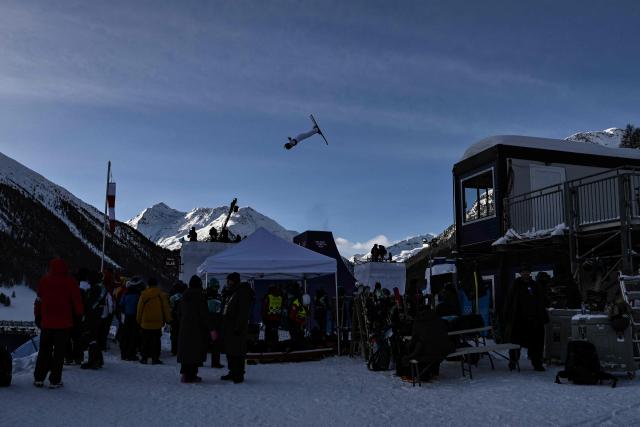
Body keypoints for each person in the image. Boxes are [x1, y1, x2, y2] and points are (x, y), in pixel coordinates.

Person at [33, 258, 84, 388]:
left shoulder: (44, 281)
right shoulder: (70, 282)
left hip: (46, 323)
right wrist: (79, 317)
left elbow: (38, 300)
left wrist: (37, 316)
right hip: (63, 324)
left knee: (44, 351)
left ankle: (38, 378)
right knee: (59, 353)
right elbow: (77, 302)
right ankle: (54, 381)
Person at [503, 264, 549, 371]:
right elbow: (509, 301)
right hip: (518, 320)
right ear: (520, 273)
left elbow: (542, 299)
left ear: (530, 273)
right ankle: (513, 361)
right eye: (523, 271)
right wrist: (507, 316)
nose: (525, 273)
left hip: (534, 319)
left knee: (536, 343)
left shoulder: (535, 285)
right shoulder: (515, 285)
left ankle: (537, 363)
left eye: (527, 271)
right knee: (515, 342)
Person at [178, 276, 214, 383]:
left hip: (185, 327)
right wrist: (211, 328)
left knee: (186, 352)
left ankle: (184, 375)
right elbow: (204, 314)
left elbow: (179, 312)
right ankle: (192, 376)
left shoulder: (184, 295)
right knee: (194, 353)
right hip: (197, 329)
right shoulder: (200, 296)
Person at [402, 306, 454, 380]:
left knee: (418, 349)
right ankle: (433, 372)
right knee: (433, 345)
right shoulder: (438, 318)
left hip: (429, 352)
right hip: (442, 350)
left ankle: (419, 374)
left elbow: (414, 340)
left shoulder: (418, 321)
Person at [221, 273, 253, 383]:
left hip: (237, 328)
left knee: (237, 352)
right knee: (230, 351)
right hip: (230, 327)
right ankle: (232, 372)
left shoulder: (241, 292)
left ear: (233, 281)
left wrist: (238, 327)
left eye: (229, 281)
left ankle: (238, 374)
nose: (227, 283)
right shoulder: (232, 292)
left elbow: (243, 312)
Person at [137, 278, 172, 365]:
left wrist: (138, 320)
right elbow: (165, 308)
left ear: (148, 285)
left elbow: (139, 309)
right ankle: (155, 358)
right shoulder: (161, 295)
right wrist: (168, 319)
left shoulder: (144, 294)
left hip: (145, 321)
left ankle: (144, 358)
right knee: (156, 341)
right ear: (156, 284)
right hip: (157, 321)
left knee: (145, 340)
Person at [80, 271, 108, 370]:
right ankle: (98, 360)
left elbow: (90, 303)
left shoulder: (96, 289)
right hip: (97, 315)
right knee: (93, 337)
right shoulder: (101, 287)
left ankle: (94, 361)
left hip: (92, 316)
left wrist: (85, 311)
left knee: (91, 337)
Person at [119, 276, 144, 361]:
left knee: (125, 334)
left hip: (126, 316)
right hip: (135, 317)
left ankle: (123, 353)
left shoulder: (125, 293)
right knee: (133, 336)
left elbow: (121, 304)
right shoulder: (139, 295)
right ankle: (131, 354)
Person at [206, 278, 224, 368]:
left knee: (216, 342)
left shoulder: (218, 296)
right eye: (215, 286)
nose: (217, 288)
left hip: (217, 320)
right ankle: (201, 361)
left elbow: (221, 307)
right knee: (206, 342)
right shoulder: (205, 295)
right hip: (209, 320)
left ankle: (215, 362)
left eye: (217, 286)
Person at [169, 281, 187, 356]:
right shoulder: (184, 295)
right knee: (181, 334)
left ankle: (174, 350)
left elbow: (170, 306)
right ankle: (181, 349)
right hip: (182, 317)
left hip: (173, 316)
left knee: (174, 334)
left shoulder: (173, 296)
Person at [263, 285, 283, 351]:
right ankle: (276, 348)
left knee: (269, 335)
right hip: (277, 319)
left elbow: (264, 309)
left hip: (269, 319)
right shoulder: (280, 297)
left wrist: (264, 319)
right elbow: (281, 308)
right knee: (275, 334)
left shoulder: (268, 297)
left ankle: (269, 348)